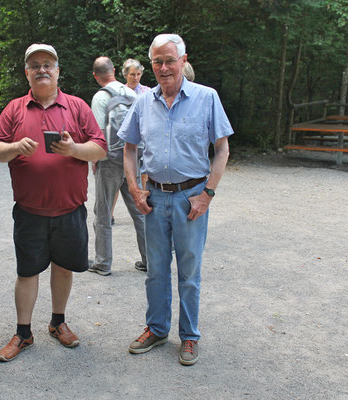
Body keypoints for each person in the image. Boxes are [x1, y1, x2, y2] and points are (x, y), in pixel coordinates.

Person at [119, 34, 233, 366]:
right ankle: (156, 329)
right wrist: (135, 189)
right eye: (157, 61)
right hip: (153, 197)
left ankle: (189, 336)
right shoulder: (143, 102)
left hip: (190, 199)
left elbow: (222, 149)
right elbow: (129, 147)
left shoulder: (206, 98)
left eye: (170, 60)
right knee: (155, 270)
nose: (164, 68)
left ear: (183, 60)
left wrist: (207, 195)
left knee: (189, 270)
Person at [0, 44, 106, 362]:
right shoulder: (14, 109)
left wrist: (74, 150)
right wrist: (14, 147)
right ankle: (23, 333)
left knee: (63, 267)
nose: (42, 69)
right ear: (27, 72)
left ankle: (58, 323)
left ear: (58, 71)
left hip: (69, 208)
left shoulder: (77, 107)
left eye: (48, 64)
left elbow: (100, 148)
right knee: (27, 272)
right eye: (35, 65)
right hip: (30, 211)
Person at [89, 56, 146, 276]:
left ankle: (103, 263)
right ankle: (149, 260)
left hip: (110, 161)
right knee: (139, 211)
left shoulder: (100, 97)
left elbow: (98, 135)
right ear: (114, 71)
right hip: (133, 159)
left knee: (102, 213)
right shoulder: (132, 94)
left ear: (96, 76)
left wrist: (96, 161)